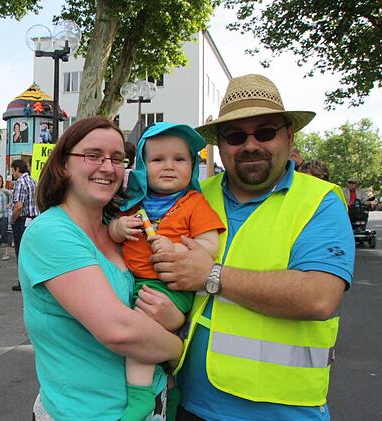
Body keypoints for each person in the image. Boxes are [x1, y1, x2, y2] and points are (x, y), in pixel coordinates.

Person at [149, 74, 355, 420]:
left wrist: (210, 275)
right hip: (185, 403)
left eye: (265, 132)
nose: (250, 145)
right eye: (235, 135)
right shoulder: (195, 195)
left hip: (284, 412)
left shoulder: (319, 201)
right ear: (219, 144)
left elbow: (320, 297)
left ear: (289, 136)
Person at [20, 116, 183, 419]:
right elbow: (118, 330)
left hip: (153, 403)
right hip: (89, 412)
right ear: (63, 165)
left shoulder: (117, 227)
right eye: (93, 155)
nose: (108, 167)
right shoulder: (51, 232)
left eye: (118, 158)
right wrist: (179, 350)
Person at [108, 123, 224, 420]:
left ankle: (139, 397)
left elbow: (210, 244)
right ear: (143, 166)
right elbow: (111, 232)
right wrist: (118, 227)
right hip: (135, 281)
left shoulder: (194, 203)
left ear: (193, 165)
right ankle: (171, 395)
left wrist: (177, 252)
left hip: (169, 285)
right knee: (153, 351)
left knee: (139, 335)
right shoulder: (135, 203)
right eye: (158, 160)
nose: (169, 167)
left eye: (180, 159)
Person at [9, 159, 39, 291]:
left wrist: (13, 219)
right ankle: (34, 280)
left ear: (16, 169)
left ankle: (23, 282)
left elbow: (19, 206)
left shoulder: (20, 183)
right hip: (34, 219)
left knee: (21, 252)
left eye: (12, 170)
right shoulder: (33, 181)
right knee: (32, 251)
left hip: (22, 220)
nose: (12, 173)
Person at [0, 175, 12, 260]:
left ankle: (6, 253)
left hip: (3, 215)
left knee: (4, 233)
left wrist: (9, 204)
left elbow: (12, 197)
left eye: (0, 181)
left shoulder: (5, 191)